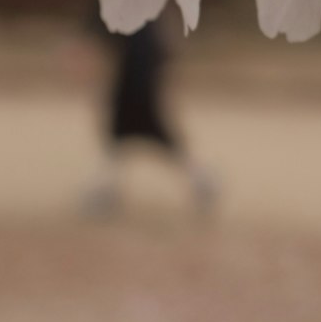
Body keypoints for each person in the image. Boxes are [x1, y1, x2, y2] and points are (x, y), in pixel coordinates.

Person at [82, 14, 220, 218]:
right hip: (134, 89)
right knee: (121, 148)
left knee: (122, 146)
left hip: (136, 92)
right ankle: (102, 195)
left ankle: (202, 183)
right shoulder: (144, 19)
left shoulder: (146, 18)